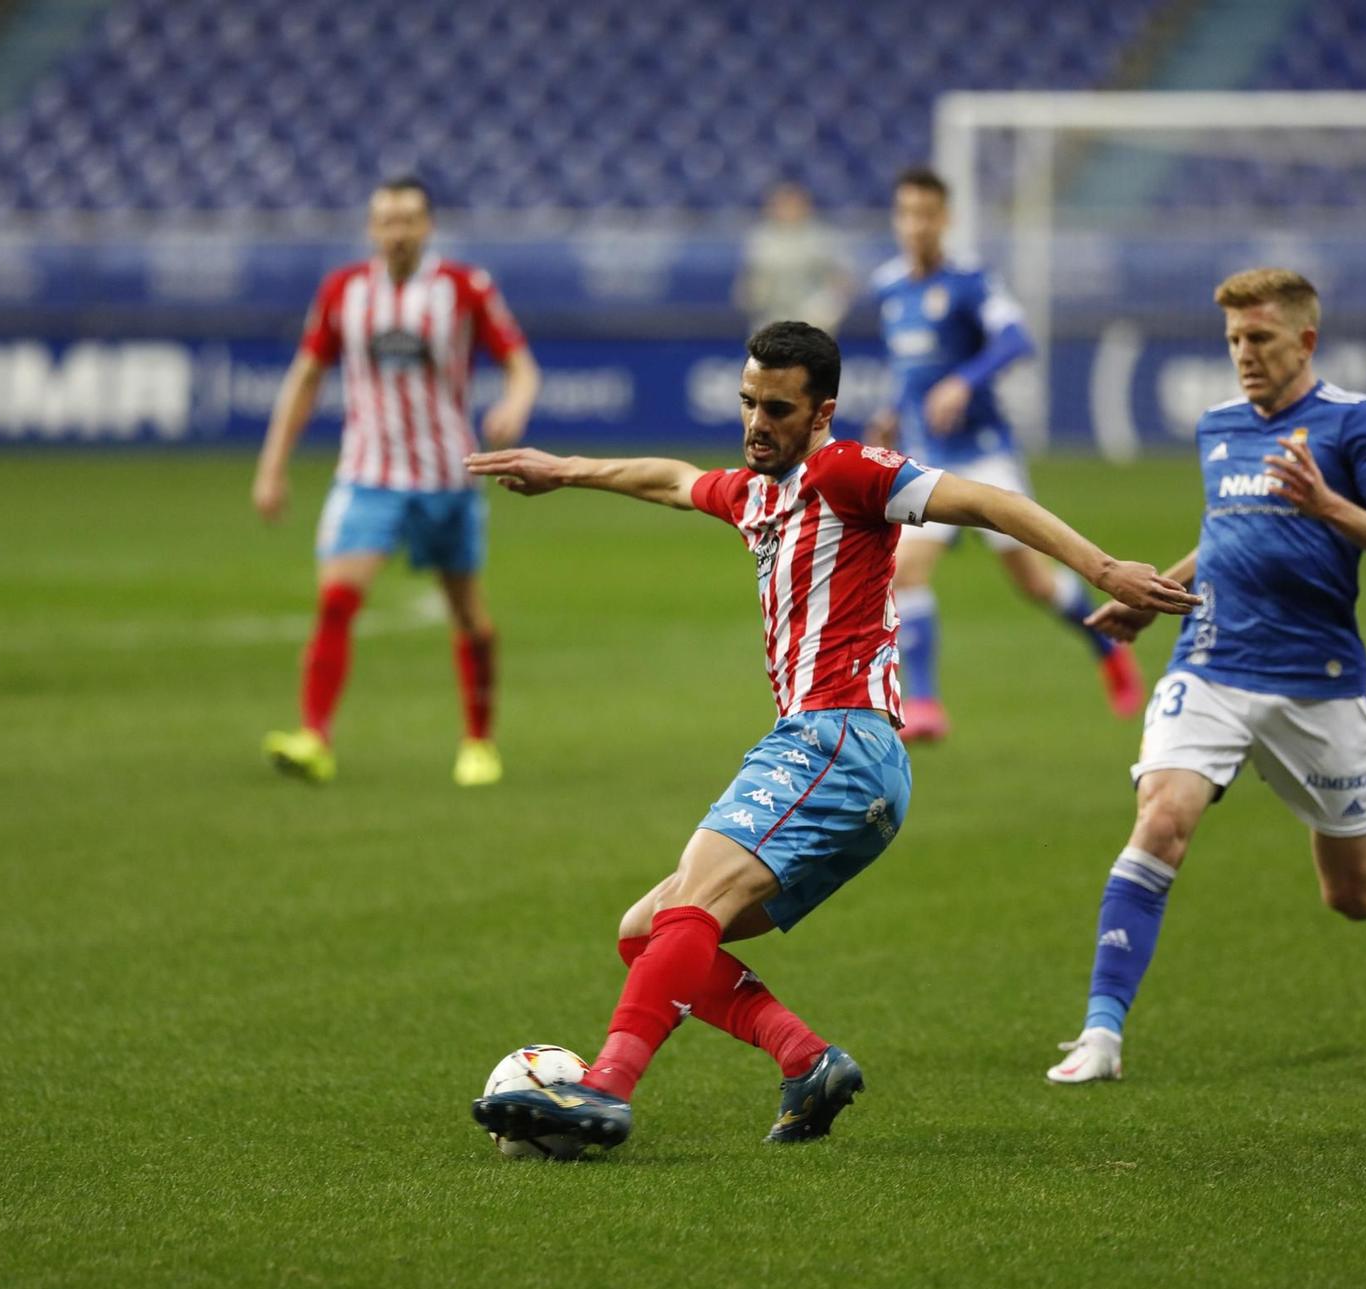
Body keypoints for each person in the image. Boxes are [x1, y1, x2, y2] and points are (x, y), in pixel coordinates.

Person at [466, 322, 1195, 1152]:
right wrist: (565, 469)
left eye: (777, 408)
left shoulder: (847, 472)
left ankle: (603, 1090)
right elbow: (671, 479)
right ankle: (805, 1059)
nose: (755, 422)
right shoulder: (754, 492)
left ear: (822, 414)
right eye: (748, 402)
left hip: (836, 740)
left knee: (690, 903)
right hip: (844, 765)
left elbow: (990, 500)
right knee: (648, 931)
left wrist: (1101, 569)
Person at [1045, 268, 1366, 1087]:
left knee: (1355, 894)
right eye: (1232, 340)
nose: (1243, 355)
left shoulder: (1351, 423)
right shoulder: (1219, 425)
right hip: (1213, 661)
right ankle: (1101, 1033)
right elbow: (1230, 530)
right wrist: (1161, 593)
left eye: (1258, 339)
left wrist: (1330, 505)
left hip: (1317, 681)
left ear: (1306, 340)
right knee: (1161, 818)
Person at [252, 175, 540, 787]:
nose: (398, 230)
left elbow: (519, 363)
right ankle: (314, 738)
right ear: (371, 228)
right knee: (336, 598)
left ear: (428, 225)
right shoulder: (343, 292)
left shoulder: (464, 288)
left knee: (468, 613)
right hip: (368, 473)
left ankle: (478, 741)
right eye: (387, 219)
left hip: (446, 476)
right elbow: (306, 377)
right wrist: (272, 464)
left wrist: (515, 404)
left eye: (409, 218)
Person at [868, 166, 1144, 744]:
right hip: (928, 457)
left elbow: (1017, 337)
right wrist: (894, 414)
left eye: (926, 214)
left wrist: (965, 382)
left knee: (1035, 583)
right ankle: (923, 703)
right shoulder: (890, 287)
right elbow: (909, 369)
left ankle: (1104, 646)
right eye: (906, 213)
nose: (915, 225)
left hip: (985, 454)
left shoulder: (970, 281)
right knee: (904, 572)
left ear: (945, 219)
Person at [733, 181, 854, 333]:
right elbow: (749, 285)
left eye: (793, 204)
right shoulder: (760, 239)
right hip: (772, 320)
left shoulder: (823, 238)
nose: (788, 210)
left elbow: (843, 281)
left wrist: (829, 307)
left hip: (813, 321)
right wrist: (752, 296)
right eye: (782, 205)